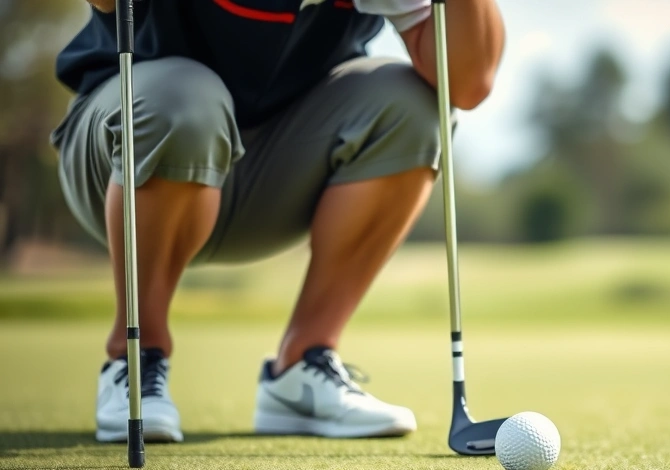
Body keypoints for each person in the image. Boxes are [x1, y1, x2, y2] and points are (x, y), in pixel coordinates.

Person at [50, 0, 505, 442]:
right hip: (124, 155)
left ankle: (302, 365)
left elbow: (465, 81)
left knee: (414, 105)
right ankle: (136, 356)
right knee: (186, 99)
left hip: (274, 176)